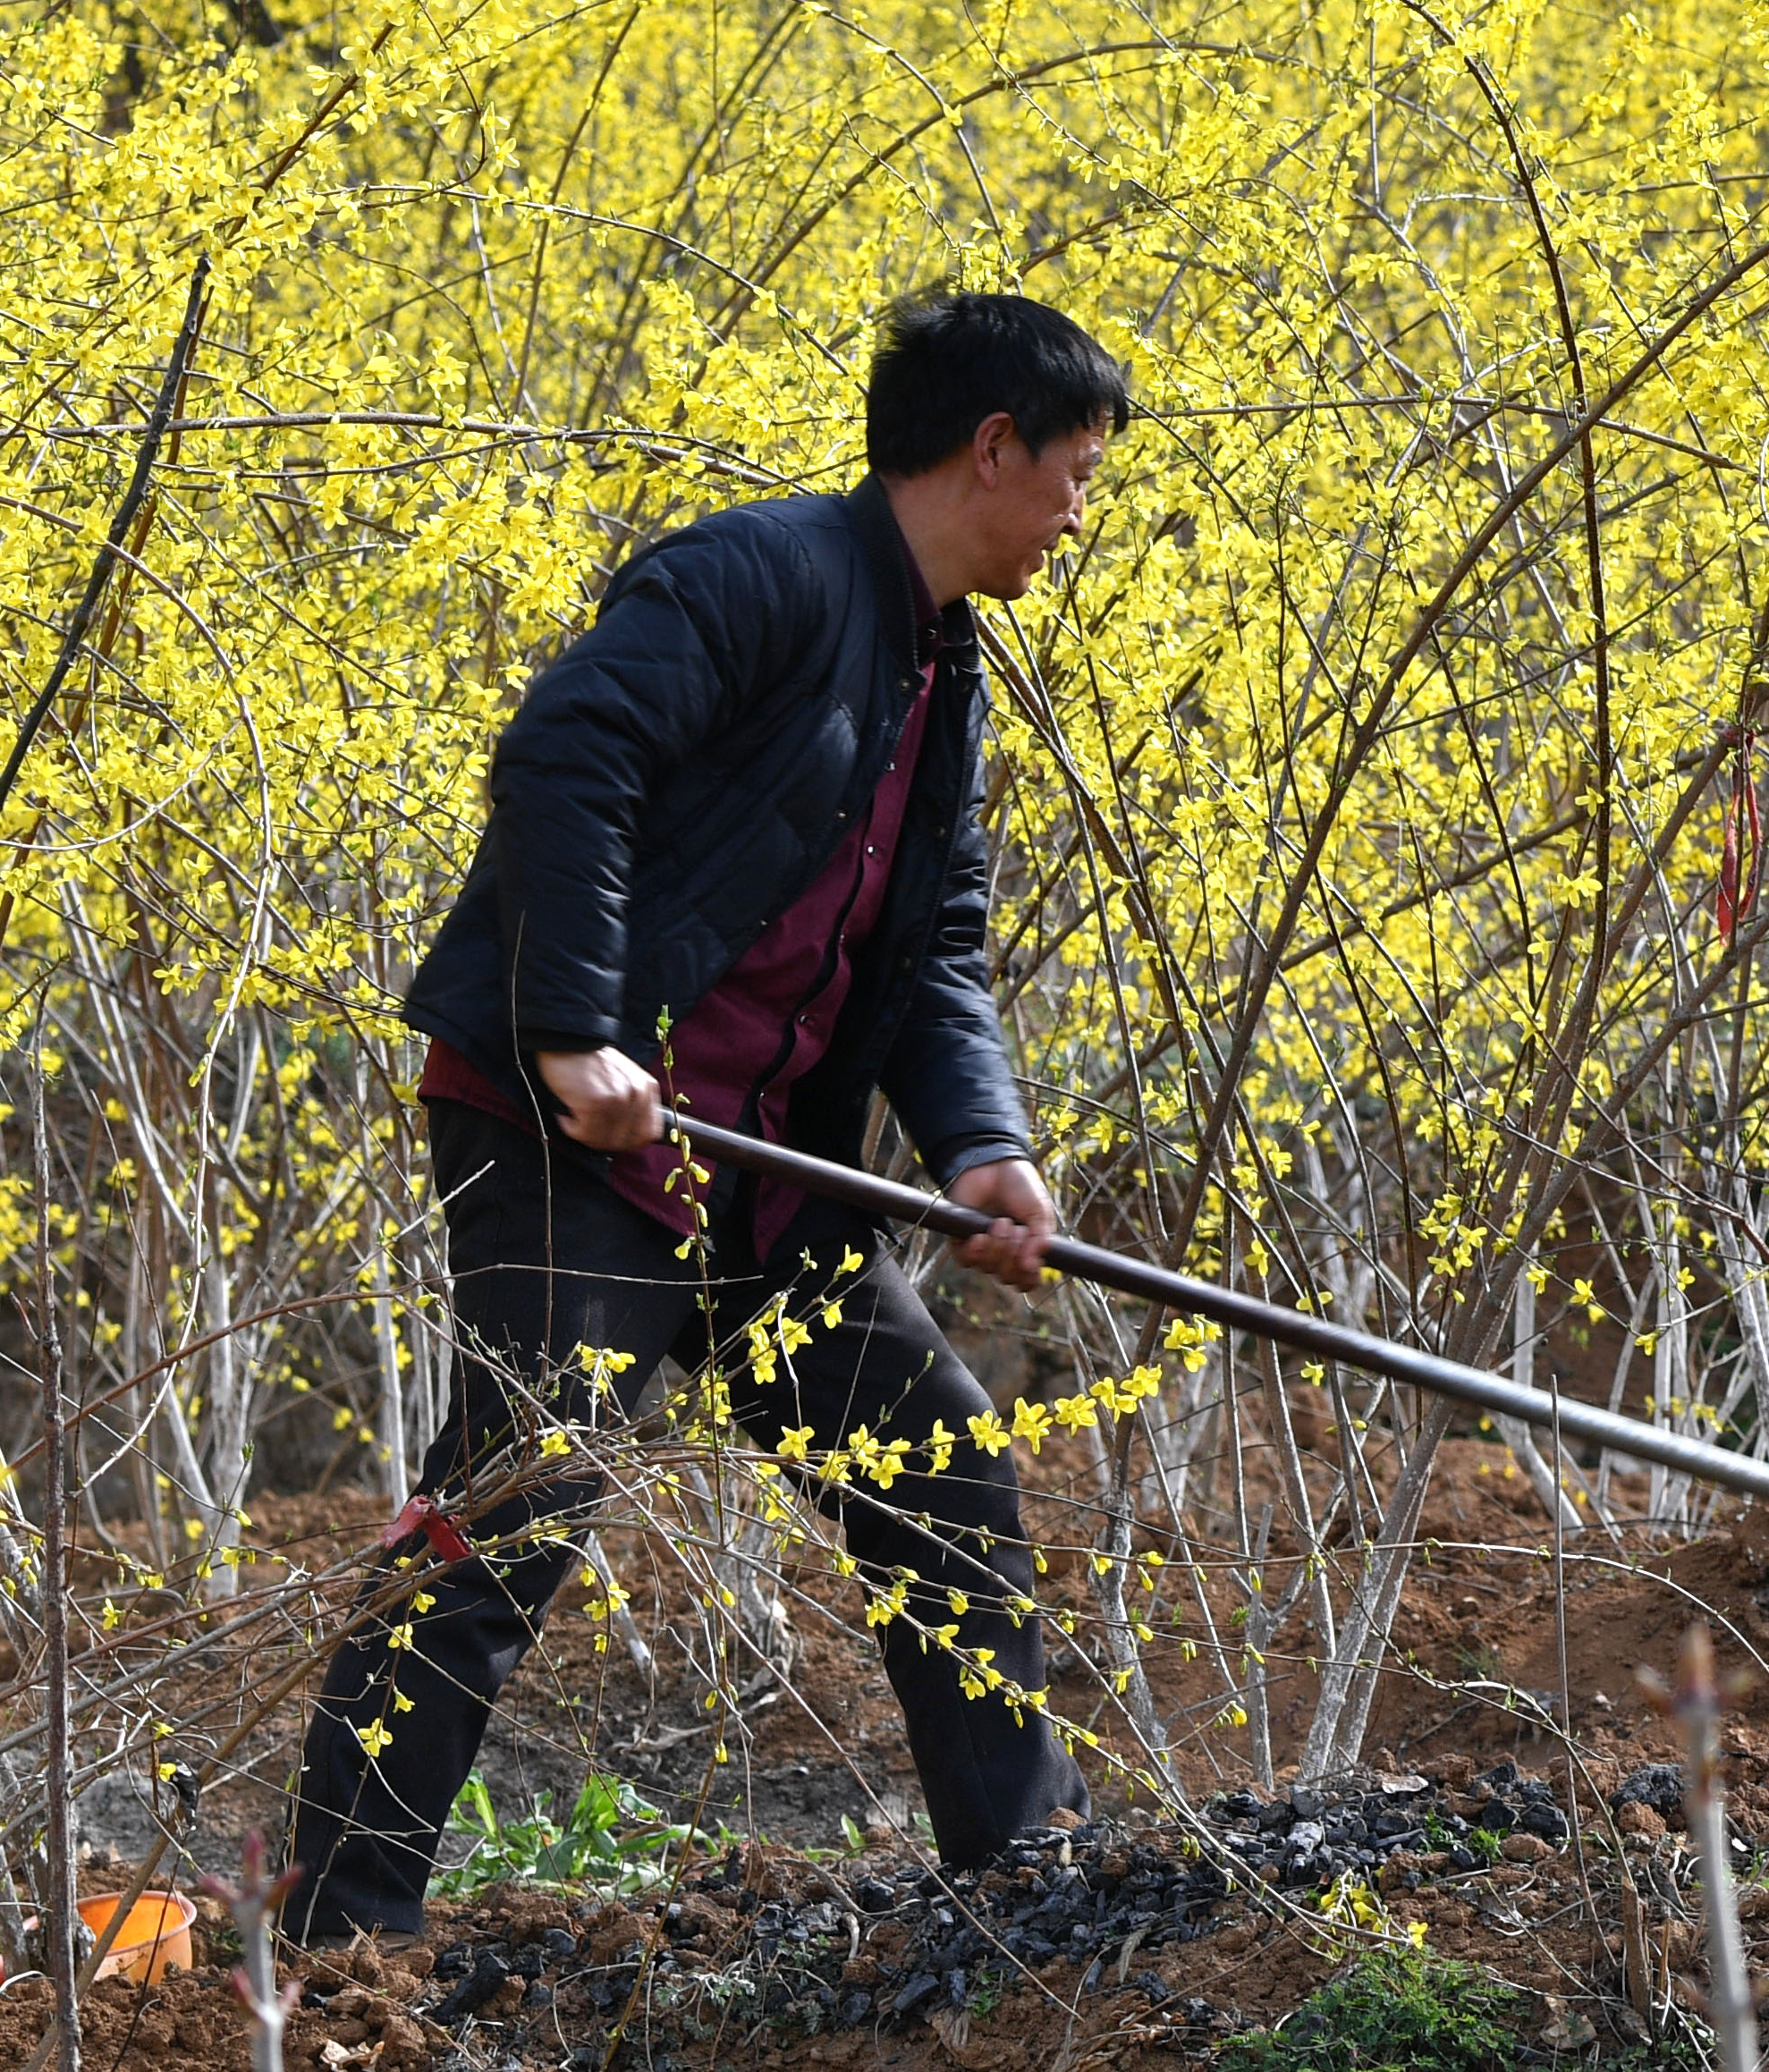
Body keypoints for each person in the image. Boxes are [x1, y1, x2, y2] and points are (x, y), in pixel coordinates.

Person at [284, 291, 1133, 1940]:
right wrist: (575, 1033)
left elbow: (932, 947)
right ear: (992, 448)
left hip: (766, 1177)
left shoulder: (945, 670)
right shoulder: (758, 574)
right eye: (1078, 474)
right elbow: (566, 758)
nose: (1079, 513)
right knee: (518, 1504)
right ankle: (332, 1942)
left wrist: (983, 1146)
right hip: (576, 1143)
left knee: (938, 1468)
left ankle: (1027, 1892)